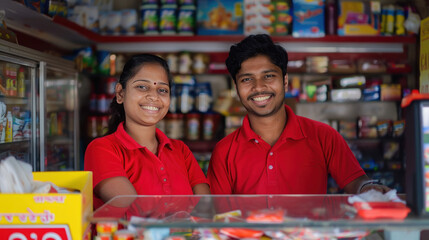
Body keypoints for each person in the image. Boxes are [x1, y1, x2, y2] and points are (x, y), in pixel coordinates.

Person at [207, 34, 390, 195]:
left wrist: (367, 188)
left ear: (285, 81)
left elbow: (355, 182)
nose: (259, 87)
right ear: (237, 88)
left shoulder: (323, 136)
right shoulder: (224, 151)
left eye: (269, 76)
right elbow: (217, 214)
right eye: (247, 79)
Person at [85, 54, 210, 209]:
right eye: (142, 87)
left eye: (162, 90)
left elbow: (205, 207)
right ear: (120, 93)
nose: (153, 96)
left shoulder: (180, 150)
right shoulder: (102, 149)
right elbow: (131, 208)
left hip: (183, 234)